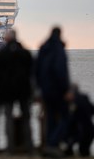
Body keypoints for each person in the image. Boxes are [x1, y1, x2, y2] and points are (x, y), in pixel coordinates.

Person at [0, 30, 33, 154]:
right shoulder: (25, 53)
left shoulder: (1, 54)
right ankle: (29, 148)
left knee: (8, 118)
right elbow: (32, 71)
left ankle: (10, 148)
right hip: (23, 90)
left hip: (7, 91)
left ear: (6, 39)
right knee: (26, 118)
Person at [35, 27, 71, 156]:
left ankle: (50, 146)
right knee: (65, 117)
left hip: (45, 91)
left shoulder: (43, 48)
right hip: (58, 91)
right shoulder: (58, 49)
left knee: (50, 117)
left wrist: (39, 88)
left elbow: (37, 70)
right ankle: (53, 142)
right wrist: (66, 88)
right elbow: (61, 70)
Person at [64, 84, 94, 157]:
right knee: (84, 151)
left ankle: (70, 149)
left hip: (79, 132)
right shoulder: (84, 98)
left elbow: (70, 120)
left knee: (71, 136)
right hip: (91, 131)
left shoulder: (71, 102)